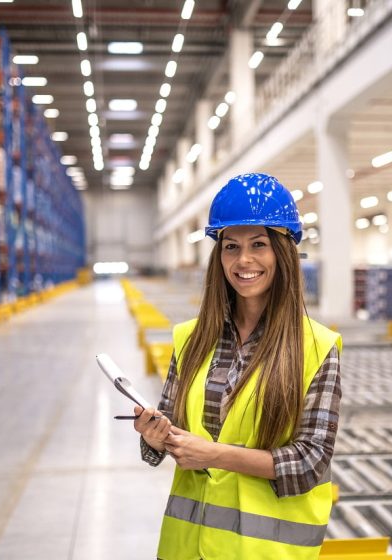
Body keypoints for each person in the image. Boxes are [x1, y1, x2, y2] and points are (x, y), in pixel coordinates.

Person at [133, 173, 342, 560]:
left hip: (265, 552)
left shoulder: (317, 347)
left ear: (282, 252)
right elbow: (167, 433)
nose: (243, 260)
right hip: (185, 548)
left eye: (258, 245)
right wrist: (154, 436)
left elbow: (309, 463)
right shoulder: (191, 339)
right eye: (231, 247)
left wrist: (213, 454)